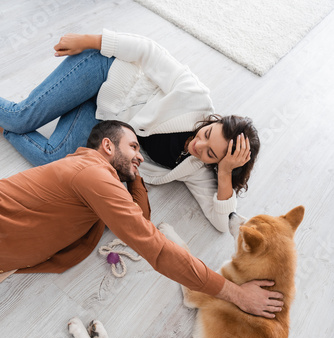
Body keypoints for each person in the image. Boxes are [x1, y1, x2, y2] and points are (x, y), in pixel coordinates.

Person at [0, 120, 283, 318]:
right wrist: (236, 294)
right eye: (134, 147)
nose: (140, 156)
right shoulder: (93, 175)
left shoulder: (96, 180)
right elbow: (156, 248)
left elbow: (141, 219)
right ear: (108, 147)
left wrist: (134, 175)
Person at [0, 30, 260, 233]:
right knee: (21, 118)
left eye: (210, 153)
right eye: (206, 134)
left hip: (100, 114)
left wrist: (225, 173)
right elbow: (149, 51)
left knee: (53, 159)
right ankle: (8, 121)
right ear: (213, 122)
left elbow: (222, 221)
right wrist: (90, 40)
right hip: (105, 72)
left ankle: (5, 126)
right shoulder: (194, 97)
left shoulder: (196, 170)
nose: (198, 146)